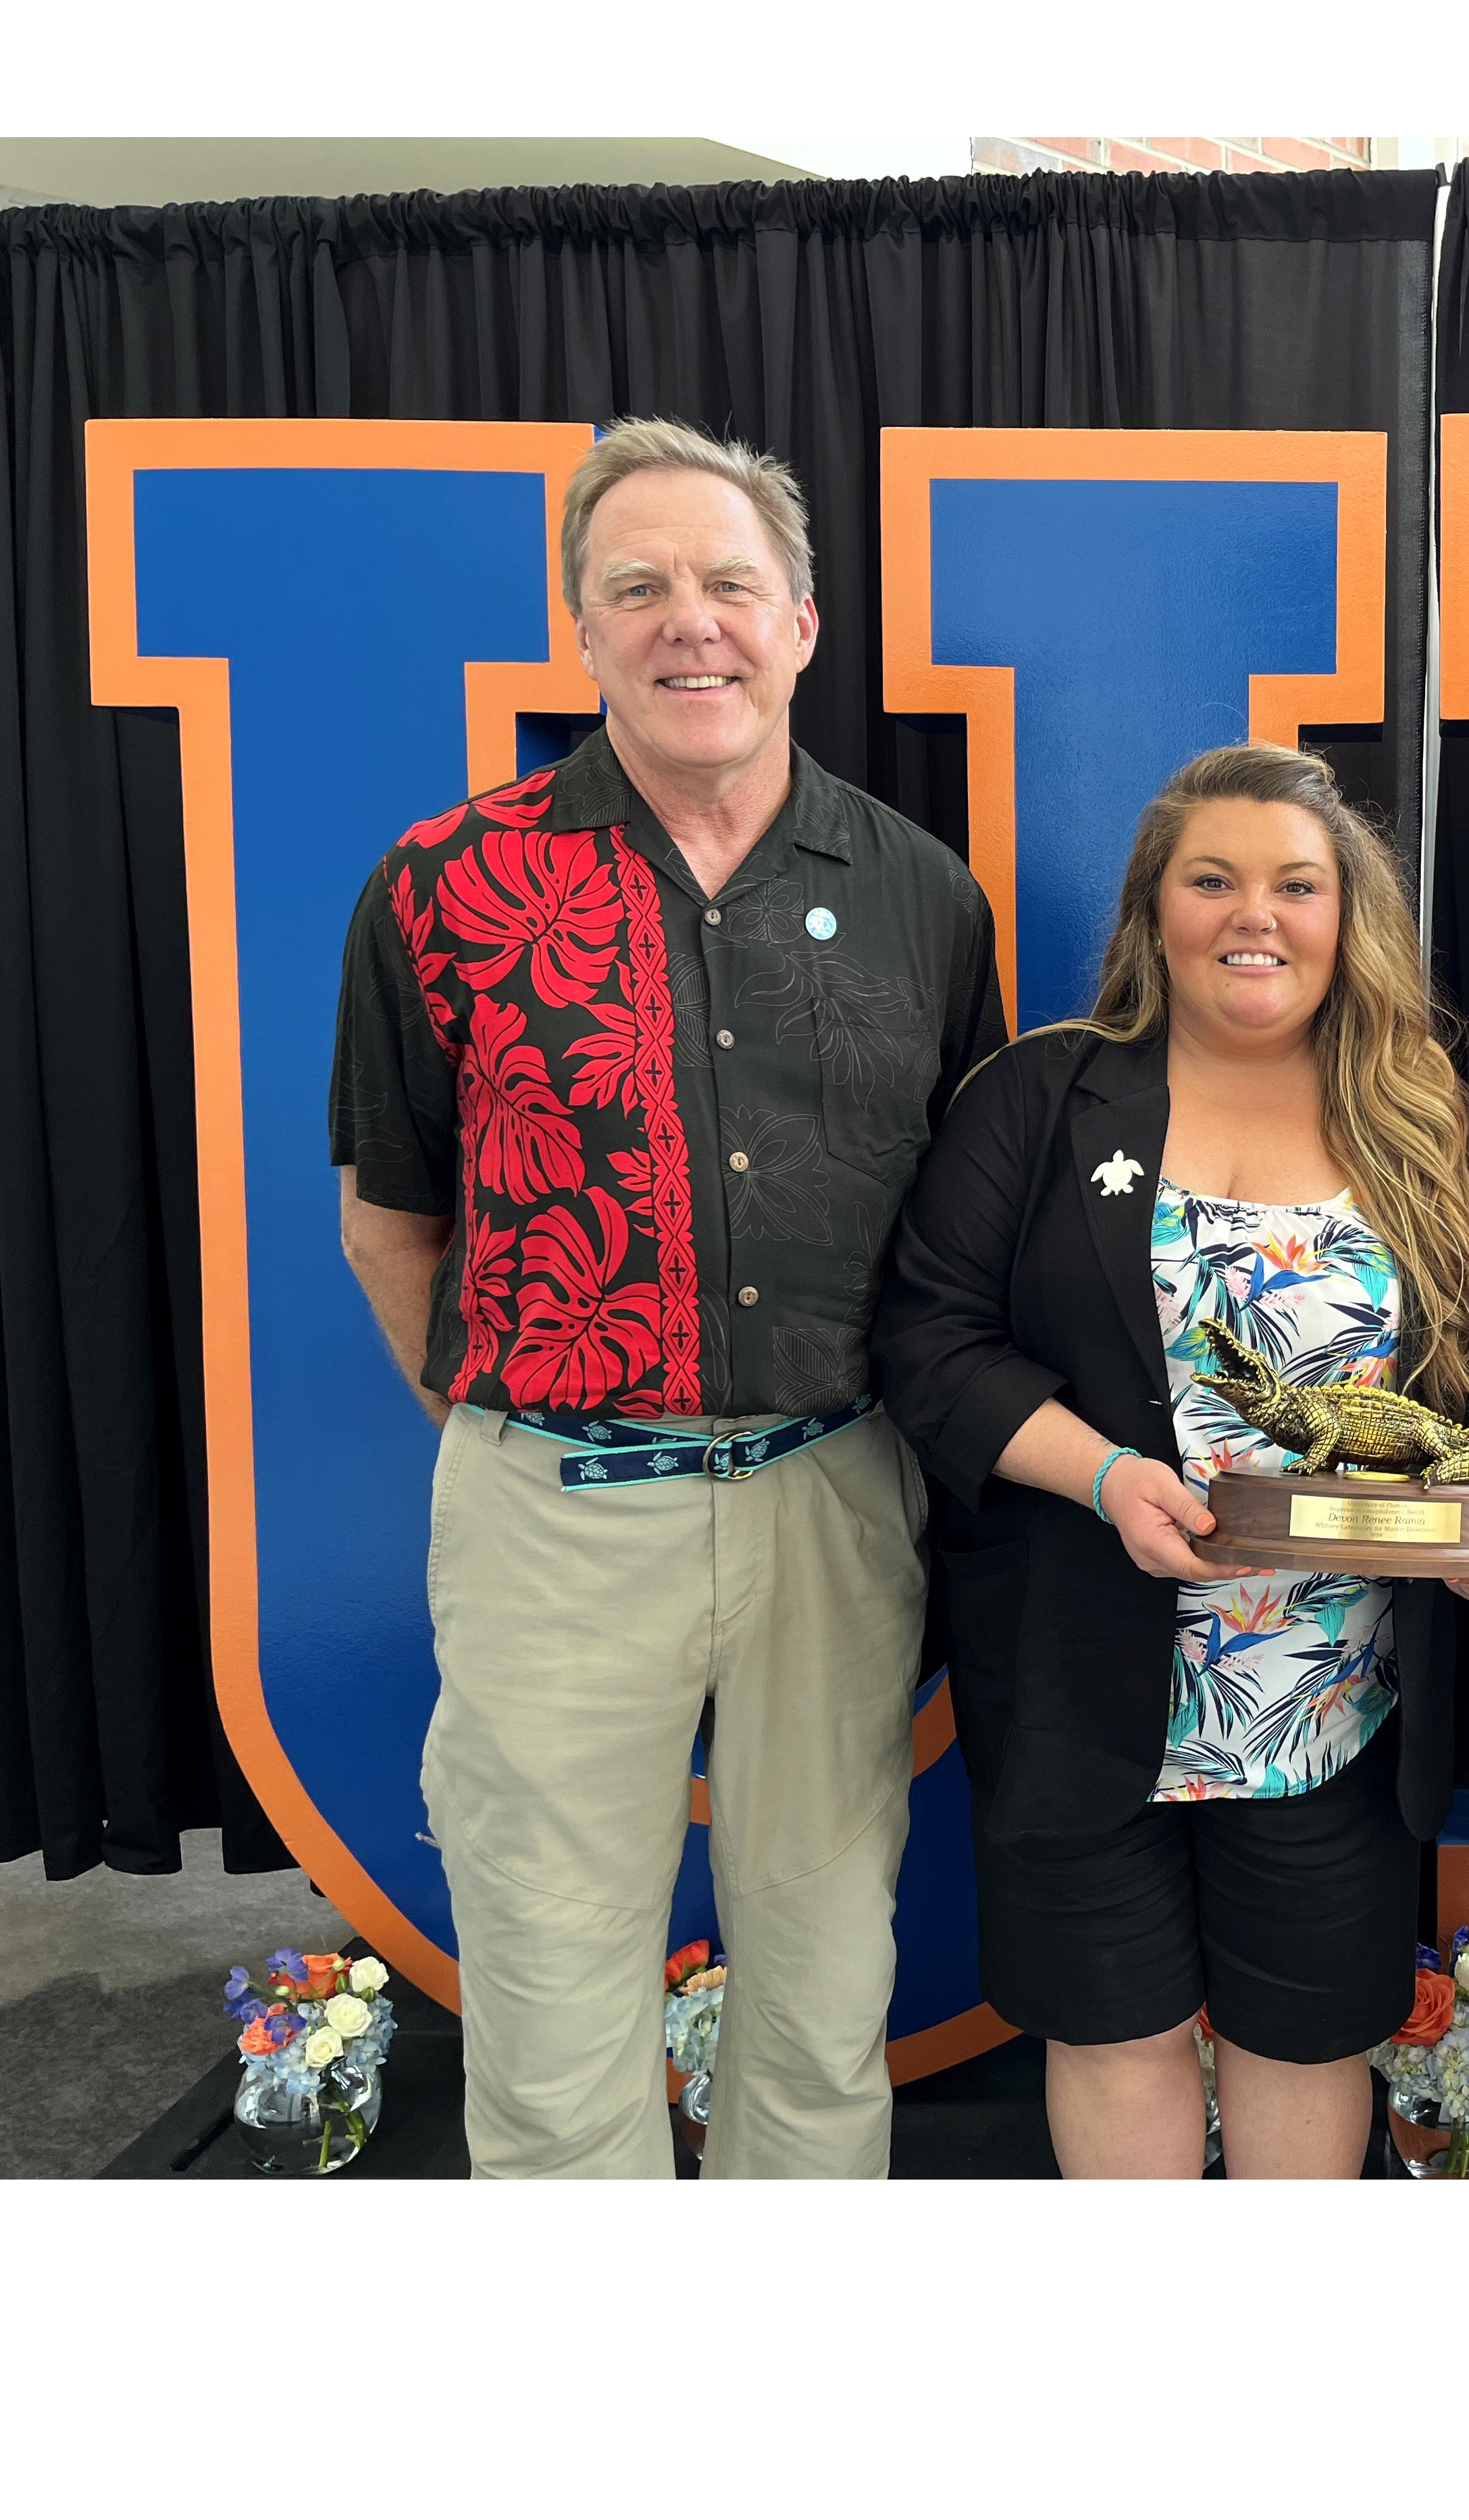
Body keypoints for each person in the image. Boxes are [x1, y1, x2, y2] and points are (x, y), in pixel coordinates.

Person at [330, 417, 1003, 2179]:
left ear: (800, 624)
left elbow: (961, 1244)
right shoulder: (440, 891)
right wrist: (523, 1426)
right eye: (639, 588)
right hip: (549, 1508)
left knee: (824, 1981)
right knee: (550, 2000)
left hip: (836, 1497)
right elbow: (390, 1217)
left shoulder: (927, 897)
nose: (686, 622)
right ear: (583, 627)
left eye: (729, 584)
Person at [878, 744, 1469, 2179]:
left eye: (1296, 885)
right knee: (1114, 2034)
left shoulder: (1427, 1117)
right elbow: (927, 1338)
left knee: (1308, 2039)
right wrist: (1104, 1475)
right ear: (1154, 911)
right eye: (1214, 880)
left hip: (1338, 1713)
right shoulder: (1044, 1099)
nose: (1257, 915)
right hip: (1084, 1686)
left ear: (1346, 913)